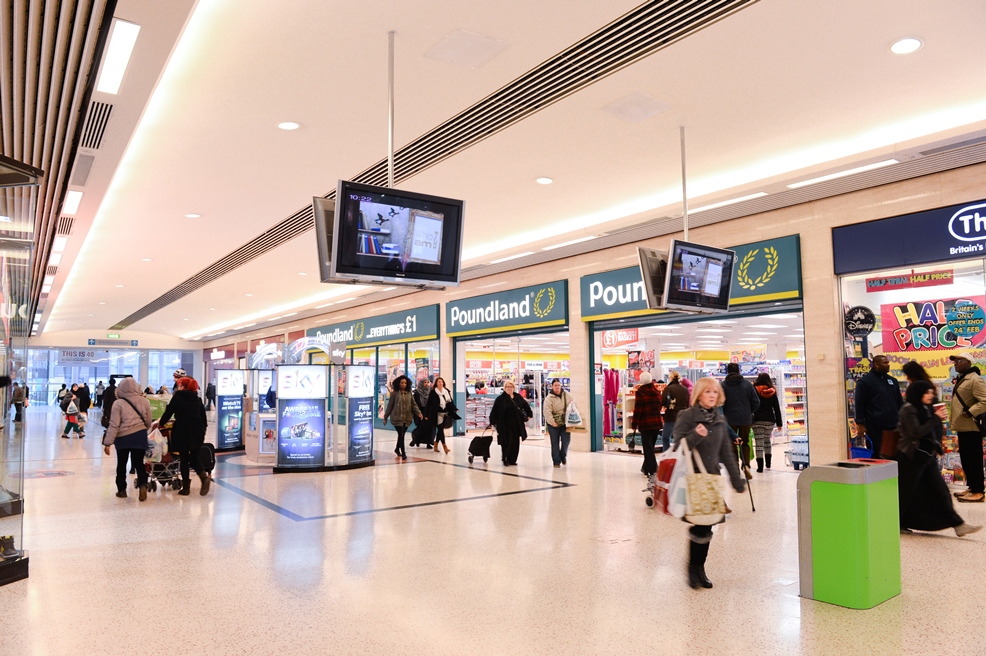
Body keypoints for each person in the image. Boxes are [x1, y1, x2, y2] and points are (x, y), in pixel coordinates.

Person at [672, 377, 746, 590]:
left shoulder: (719, 419)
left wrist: (736, 480)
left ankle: (698, 569)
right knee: (701, 525)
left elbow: (726, 452)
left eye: (715, 391)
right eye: (707, 391)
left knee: (707, 525)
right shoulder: (687, 416)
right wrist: (696, 434)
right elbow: (677, 447)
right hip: (692, 480)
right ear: (699, 394)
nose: (712, 395)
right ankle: (694, 569)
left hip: (711, 480)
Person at [897, 379, 981, 536]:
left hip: (927, 457)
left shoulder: (925, 408)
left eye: (931, 392)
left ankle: (958, 524)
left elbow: (929, 431)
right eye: (927, 392)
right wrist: (935, 418)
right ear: (918, 393)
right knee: (906, 493)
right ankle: (898, 522)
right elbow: (916, 432)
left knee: (941, 491)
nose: (931, 395)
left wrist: (937, 446)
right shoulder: (908, 409)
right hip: (911, 457)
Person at [155, 377, 210, 496]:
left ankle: (186, 488)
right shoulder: (197, 399)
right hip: (197, 430)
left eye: (179, 385)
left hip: (182, 430)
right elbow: (203, 418)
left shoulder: (178, 397)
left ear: (183, 386)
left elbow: (168, 413)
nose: (178, 386)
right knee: (194, 458)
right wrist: (202, 431)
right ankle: (203, 477)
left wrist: (161, 424)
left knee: (184, 458)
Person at [101, 377, 152, 501]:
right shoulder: (144, 401)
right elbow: (149, 421)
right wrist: (141, 429)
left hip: (123, 438)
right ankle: (142, 485)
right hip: (139, 436)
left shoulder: (118, 403)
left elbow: (114, 424)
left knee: (122, 464)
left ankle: (122, 490)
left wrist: (108, 442)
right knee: (139, 463)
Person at [949, 350, 986, 503]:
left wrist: (970, 412)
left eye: (959, 360)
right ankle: (972, 487)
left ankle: (978, 490)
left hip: (972, 427)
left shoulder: (975, 379)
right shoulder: (962, 379)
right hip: (963, 427)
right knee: (966, 459)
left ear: (968, 363)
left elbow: (984, 400)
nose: (956, 363)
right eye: (955, 361)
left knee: (974, 459)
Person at [853, 354, 903, 460]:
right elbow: (860, 403)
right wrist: (860, 423)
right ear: (876, 364)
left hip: (893, 425)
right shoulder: (865, 382)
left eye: (888, 362)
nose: (888, 365)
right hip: (875, 426)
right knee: (877, 455)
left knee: (893, 455)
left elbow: (899, 402)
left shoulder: (893, 381)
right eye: (885, 363)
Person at [721, 363, 759, 476]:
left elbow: (720, 404)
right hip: (745, 419)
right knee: (745, 442)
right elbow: (756, 402)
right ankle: (746, 465)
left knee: (732, 443)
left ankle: (735, 470)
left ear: (727, 372)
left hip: (729, 420)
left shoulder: (723, 385)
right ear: (739, 371)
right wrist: (749, 411)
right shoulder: (747, 384)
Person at [489, 380, 532, 466]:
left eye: (511, 387)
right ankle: (505, 458)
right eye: (507, 387)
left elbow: (526, 405)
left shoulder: (518, 397)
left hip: (516, 424)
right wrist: (492, 422)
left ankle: (512, 459)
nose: (509, 388)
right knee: (506, 442)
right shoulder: (500, 399)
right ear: (504, 388)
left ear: (513, 388)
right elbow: (494, 411)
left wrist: (529, 414)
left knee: (515, 442)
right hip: (504, 424)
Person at [631, 373, 663, 486]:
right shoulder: (657, 392)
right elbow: (660, 406)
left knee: (648, 448)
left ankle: (654, 470)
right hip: (657, 423)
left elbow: (638, 409)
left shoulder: (640, 392)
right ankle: (645, 468)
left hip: (645, 424)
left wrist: (634, 424)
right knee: (650, 447)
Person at [383, 375, 421, 460]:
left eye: (405, 383)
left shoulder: (409, 393)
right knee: (401, 434)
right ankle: (403, 453)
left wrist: (418, 413)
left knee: (401, 435)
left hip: (407, 418)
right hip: (397, 418)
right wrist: (385, 417)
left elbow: (413, 404)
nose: (403, 384)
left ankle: (397, 449)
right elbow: (390, 406)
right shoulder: (394, 393)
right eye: (402, 383)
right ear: (398, 383)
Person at [751, 373, 783, 472]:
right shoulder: (772, 391)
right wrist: (779, 423)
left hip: (757, 420)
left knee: (759, 443)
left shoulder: (754, 390)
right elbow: (776, 408)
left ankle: (760, 467)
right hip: (769, 420)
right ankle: (768, 464)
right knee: (767, 441)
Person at [543, 378, 573, 468]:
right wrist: (552, 422)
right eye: (555, 385)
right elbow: (547, 411)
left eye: (558, 385)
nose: (557, 387)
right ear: (552, 386)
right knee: (555, 443)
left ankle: (563, 456)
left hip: (565, 422)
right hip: (553, 423)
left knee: (566, 441)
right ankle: (556, 461)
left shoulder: (566, 395)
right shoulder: (549, 398)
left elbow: (573, 403)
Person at [427, 377, 457, 454]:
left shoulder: (446, 391)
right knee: (440, 429)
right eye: (439, 382)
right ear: (436, 383)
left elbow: (450, 401)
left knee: (441, 430)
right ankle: (445, 446)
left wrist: (455, 409)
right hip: (437, 414)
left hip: (445, 413)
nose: (440, 383)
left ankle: (436, 444)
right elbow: (429, 404)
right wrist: (426, 414)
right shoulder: (433, 392)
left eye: (441, 382)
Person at [662, 372, 689, 453]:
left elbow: (663, 402)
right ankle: (680, 455)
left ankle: (667, 456)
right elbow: (687, 403)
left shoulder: (668, 389)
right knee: (680, 438)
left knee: (666, 437)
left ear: (670, 378)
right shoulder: (685, 389)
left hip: (671, 416)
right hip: (683, 417)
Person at [410, 378, 434, 448]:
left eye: (427, 382)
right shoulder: (417, 393)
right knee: (421, 427)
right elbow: (414, 404)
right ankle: (416, 439)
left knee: (429, 428)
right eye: (425, 382)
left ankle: (428, 443)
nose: (426, 384)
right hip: (420, 412)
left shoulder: (431, 392)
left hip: (429, 412)